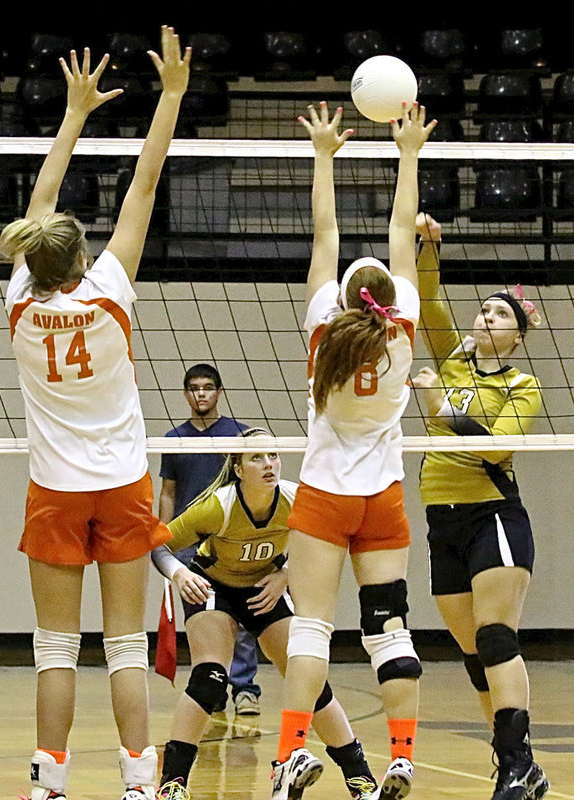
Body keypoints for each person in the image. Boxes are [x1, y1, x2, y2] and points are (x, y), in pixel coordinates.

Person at [1, 28, 190, 800]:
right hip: (120, 485)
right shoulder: (110, 290)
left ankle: (48, 785)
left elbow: (40, 206)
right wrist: (171, 94)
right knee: (122, 646)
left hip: (55, 487)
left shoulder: (18, 302)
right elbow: (142, 187)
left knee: (54, 647)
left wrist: (71, 115)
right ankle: (139, 785)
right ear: (81, 259)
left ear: (34, 260)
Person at [270, 101, 437, 800]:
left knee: (309, 627)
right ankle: (400, 758)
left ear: (341, 301)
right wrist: (408, 152)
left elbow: (323, 235)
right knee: (386, 627)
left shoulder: (322, 329)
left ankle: (289, 758)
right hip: (382, 499)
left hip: (325, 494)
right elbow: (403, 230)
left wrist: (322, 155)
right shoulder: (401, 326)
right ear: (385, 299)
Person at [152, 429, 379, 800]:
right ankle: (172, 784)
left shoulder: (294, 499)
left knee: (309, 677)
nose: (268, 464)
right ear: (238, 469)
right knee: (209, 679)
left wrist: (285, 575)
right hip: (214, 588)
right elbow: (158, 544)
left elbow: (325, 543)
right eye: (257, 458)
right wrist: (180, 573)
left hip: (264, 589)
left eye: (273, 455)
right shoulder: (219, 506)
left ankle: (361, 780)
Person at [411, 213, 549, 800]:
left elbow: (498, 446)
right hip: (440, 520)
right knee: (473, 655)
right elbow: (425, 299)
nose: (484, 315)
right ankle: (521, 764)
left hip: (493, 515)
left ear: (516, 334)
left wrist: (441, 408)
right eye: (484, 308)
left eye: (498, 313)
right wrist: (427, 245)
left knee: (496, 639)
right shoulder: (452, 359)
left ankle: (516, 765)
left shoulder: (522, 384)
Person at [158, 363, 262, 715]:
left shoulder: (240, 435)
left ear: (219, 392)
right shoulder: (174, 440)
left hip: (232, 539)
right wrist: (162, 535)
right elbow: (168, 492)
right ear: (186, 394)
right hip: (190, 544)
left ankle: (245, 689)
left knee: (242, 617)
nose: (201, 393)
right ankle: (213, 688)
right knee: (204, 619)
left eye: (207, 387)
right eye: (194, 388)